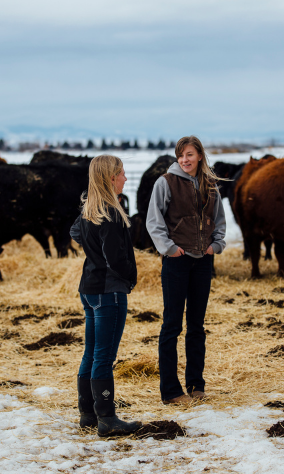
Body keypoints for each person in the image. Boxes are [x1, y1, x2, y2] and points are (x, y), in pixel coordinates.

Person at [146, 135, 227, 405]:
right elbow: (153, 221)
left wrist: (216, 245)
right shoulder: (165, 182)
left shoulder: (211, 185)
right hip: (177, 261)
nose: (185, 160)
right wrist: (169, 248)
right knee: (172, 325)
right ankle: (170, 391)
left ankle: (196, 385)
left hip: (203, 261)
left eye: (190, 154)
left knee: (197, 325)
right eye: (181, 155)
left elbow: (219, 221)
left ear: (200, 156)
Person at [69, 155, 142, 437]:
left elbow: (75, 232)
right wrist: (129, 277)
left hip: (89, 288)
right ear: (111, 178)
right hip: (109, 291)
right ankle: (107, 418)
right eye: (122, 173)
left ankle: (87, 413)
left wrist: (93, 253)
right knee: (104, 355)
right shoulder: (111, 212)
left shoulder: (90, 209)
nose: (125, 178)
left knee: (91, 352)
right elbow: (116, 257)